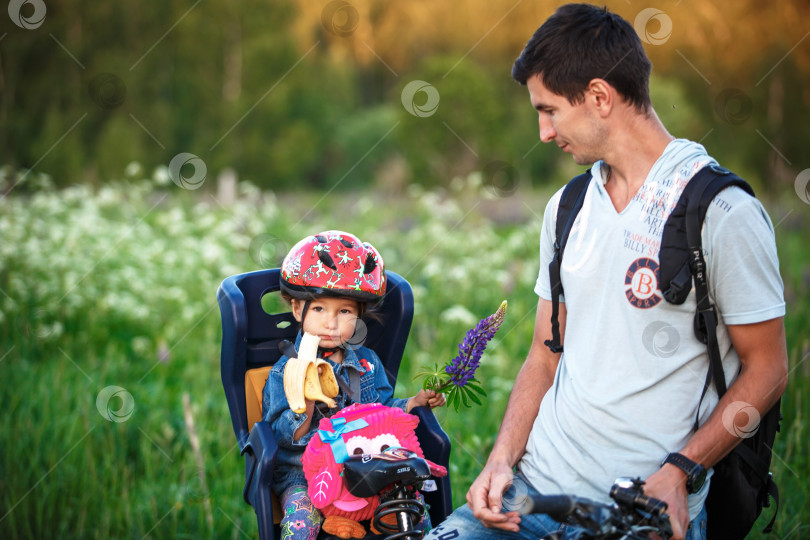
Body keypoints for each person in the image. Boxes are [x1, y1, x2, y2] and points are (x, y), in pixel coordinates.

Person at [426, 4, 787, 540]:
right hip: (529, 496)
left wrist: (680, 472)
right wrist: (501, 460)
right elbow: (544, 356)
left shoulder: (720, 211)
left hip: (640, 513)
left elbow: (769, 370)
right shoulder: (567, 207)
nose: (544, 133)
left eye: (549, 111)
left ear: (599, 97)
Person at [262, 230, 446, 540]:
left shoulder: (367, 362)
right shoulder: (285, 372)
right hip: (304, 475)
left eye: (344, 311)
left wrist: (413, 403)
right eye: (318, 309)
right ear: (297, 310)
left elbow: (382, 413)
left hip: (364, 466)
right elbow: (284, 441)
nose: (330, 323)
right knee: (301, 523)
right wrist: (305, 400)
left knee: (412, 508)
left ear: (359, 314)